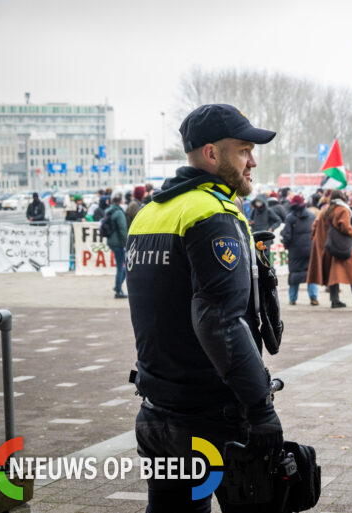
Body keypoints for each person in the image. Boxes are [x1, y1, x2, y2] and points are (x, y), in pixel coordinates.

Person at [126, 104, 283, 512]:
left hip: (158, 413)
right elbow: (220, 322)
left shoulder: (150, 213)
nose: (253, 161)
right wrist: (260, 408)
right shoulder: (211, 213)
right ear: (211, 154)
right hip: (212, 420)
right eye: (244, 150)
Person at [307, 189, 352, 308]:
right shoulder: (342, 209)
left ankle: (335, 300)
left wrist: (320, 240)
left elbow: (315, 225)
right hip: (342, 246)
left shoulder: (326, 210)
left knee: (333, 275)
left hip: (330, 247)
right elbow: (344, 226)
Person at [281, 195, 319, 306]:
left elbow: (287, 236)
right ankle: (313, 298)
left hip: (295, 251)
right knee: (311, 274)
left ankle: (292, 299)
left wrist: (286, 245)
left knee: (294, 274)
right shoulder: (311, 216)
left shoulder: (290, 217)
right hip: (309, 249)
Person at [105, 192, 128, 298]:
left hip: (111, 241)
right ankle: (118, 290)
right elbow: (123, 230)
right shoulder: (119, 213)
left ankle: (117, 286)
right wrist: (127, 243)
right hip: (118, 243)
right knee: (122, 267)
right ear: (120, 201)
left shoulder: (109, 211)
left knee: (121, 266)